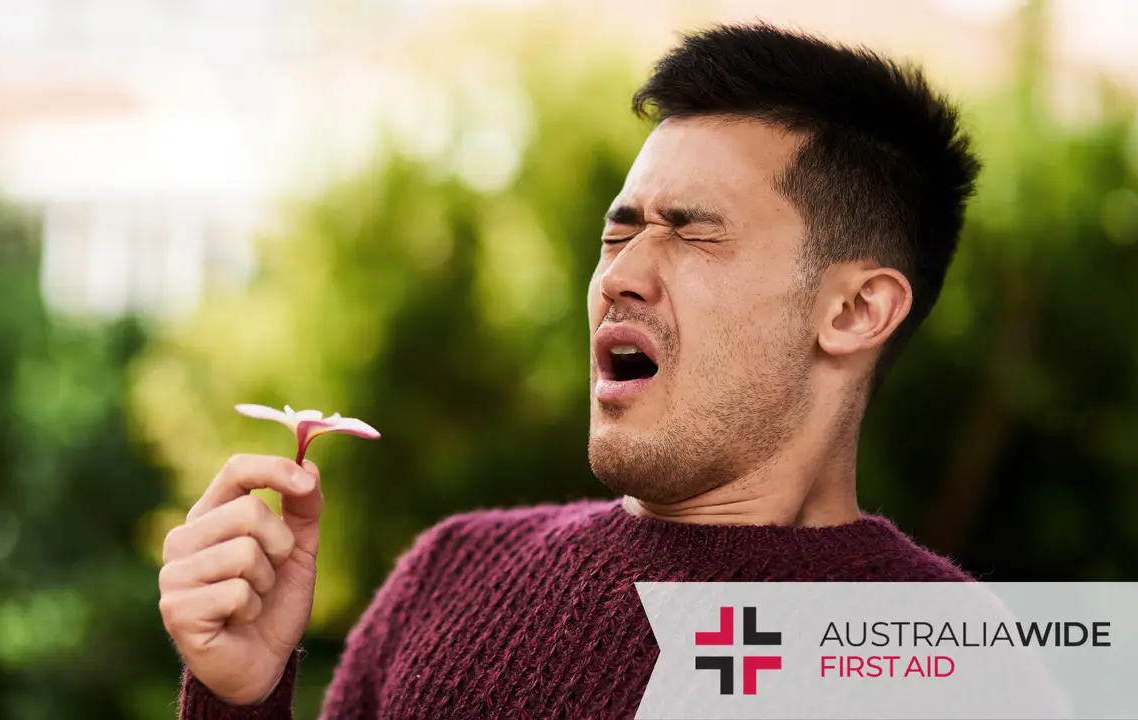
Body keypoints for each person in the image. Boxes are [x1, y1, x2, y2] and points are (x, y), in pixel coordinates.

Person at [159, 22, 982, 719]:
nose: (621, 275)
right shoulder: (450, 574)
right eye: (619, 233)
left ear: (854, 311)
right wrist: (242, 696)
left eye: (692, 233)